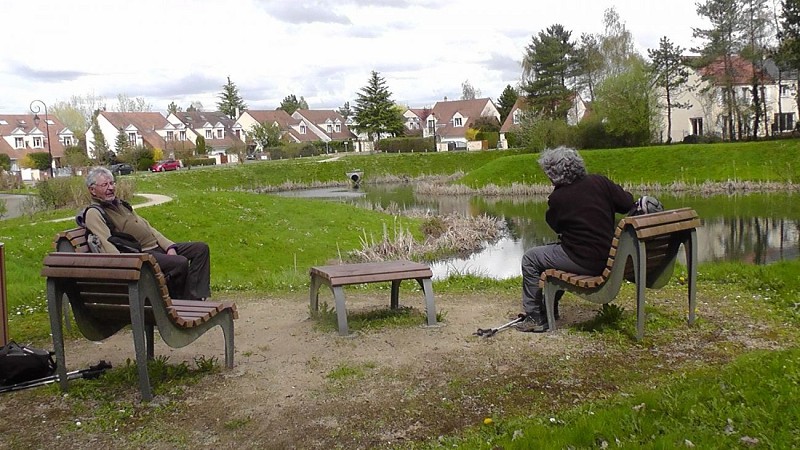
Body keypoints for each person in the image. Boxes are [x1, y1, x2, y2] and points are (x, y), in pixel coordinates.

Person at [516, 147, 634, 332]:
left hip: (583, 260)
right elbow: (627, 202)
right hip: (609, 256)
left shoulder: (559, 197)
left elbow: (555, 225)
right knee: (548, 254)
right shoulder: (600, 182)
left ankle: (535, 317)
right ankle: (548, 310)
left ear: (554, 174)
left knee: (531, 258)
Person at [82, 167, 211, 301]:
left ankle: (194, 297)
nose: (111, 188)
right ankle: (184, 302)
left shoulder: (121, 205)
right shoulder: (94, 213)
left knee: (200, 249)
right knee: (180, 262)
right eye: (105, 185)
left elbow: (149, 228)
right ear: (92, 190)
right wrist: (124, 269)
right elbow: (106, 242)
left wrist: (170, 247)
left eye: (112, 183)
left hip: (155, 248)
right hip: (142, 255)